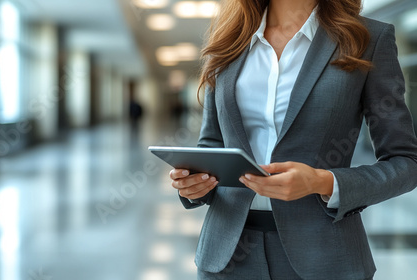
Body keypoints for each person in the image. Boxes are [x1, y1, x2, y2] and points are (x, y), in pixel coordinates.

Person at [169, 0, 417, 279]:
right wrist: (195, 183)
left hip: (325, 257)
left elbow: (406, 162)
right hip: (226, 257)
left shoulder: (367, 39)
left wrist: (322, 182)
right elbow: (212, 143)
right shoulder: (229, 40)